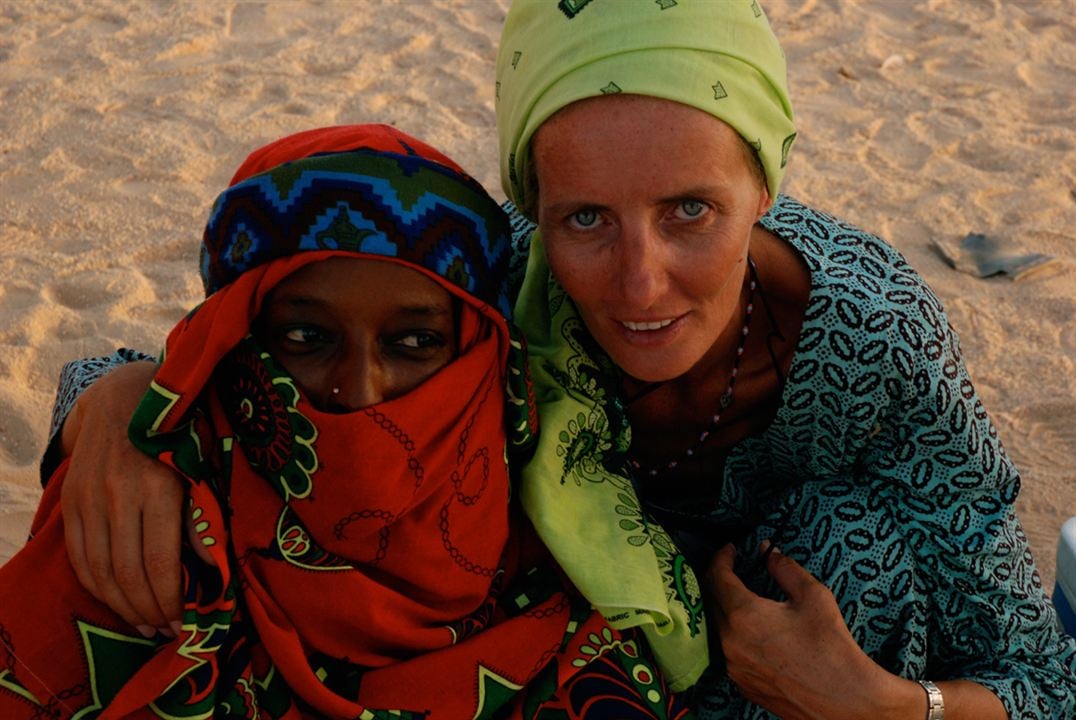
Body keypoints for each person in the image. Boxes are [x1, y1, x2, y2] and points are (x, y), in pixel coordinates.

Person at [34, 2, 1076, 719]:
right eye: (585, 217)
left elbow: (1037, 677)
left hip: (806, 686)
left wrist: (883, 706)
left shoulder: (872, 332)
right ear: (532, 205)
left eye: (689, 211)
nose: (637, 284)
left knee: (846, 544)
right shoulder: (500, 287)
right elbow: (278, 352)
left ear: (765, 183)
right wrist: (118, 405)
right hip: (581, 672)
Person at [0, 124, 695, 719]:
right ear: (236, 340)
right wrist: (116, 398)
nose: (359, 391)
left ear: (484, 351)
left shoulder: (582, 546)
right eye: (306, 338)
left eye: (414, 343)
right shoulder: (138, 507)